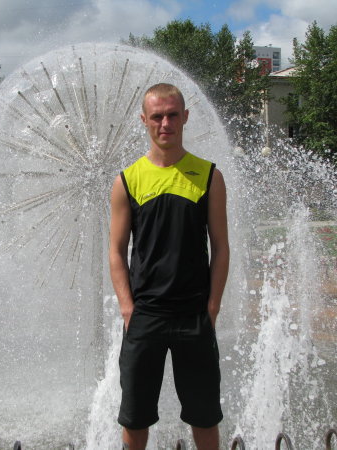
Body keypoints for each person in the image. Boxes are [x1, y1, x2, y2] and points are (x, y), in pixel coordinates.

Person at [109, 83, 230, 450]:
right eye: (157, 116)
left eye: (172, 115)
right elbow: (116, 251)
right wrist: (127, 308)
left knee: (204, 417)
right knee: (135, 418)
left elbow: (221, 247)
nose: (165, 124)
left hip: (194, 315)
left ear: (185, 117)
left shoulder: (209, 176)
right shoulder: (127, 180)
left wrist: (212, 307)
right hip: (145, 315)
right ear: (144, 120)